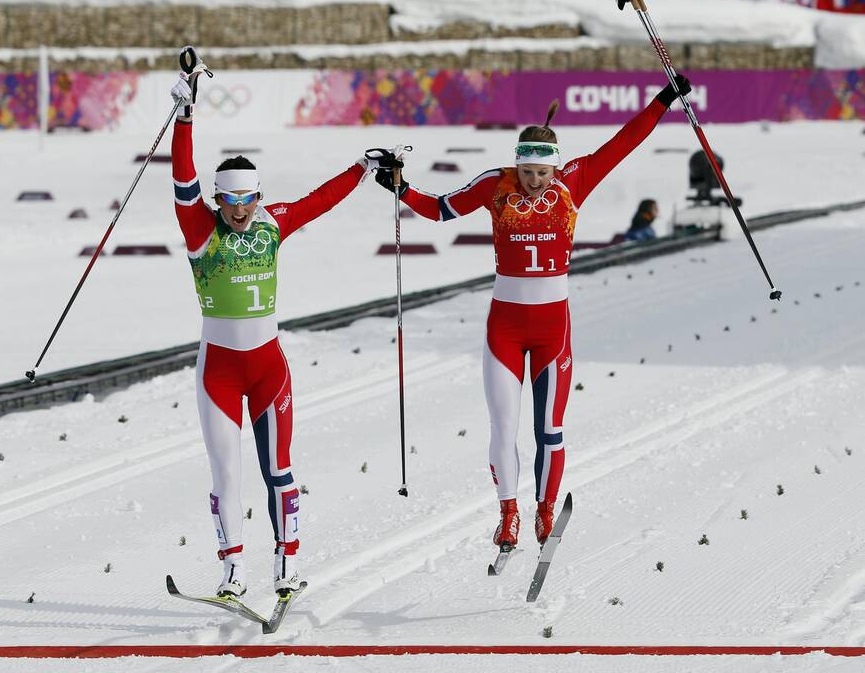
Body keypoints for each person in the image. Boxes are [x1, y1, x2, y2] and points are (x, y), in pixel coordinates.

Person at [374, 76, 691, 552]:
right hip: (504, 328)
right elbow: (441, 210)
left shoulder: (573, 183)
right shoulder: (495, 184)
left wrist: (664, 100)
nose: (534, 181)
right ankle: (508, 516)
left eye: (542, 174)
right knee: (503, 426)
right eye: (527, 172)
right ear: (517, 165)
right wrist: (399, 187)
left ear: (554, 169)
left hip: (551, 331)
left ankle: (545, 511)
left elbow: (623, 142)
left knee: (550, 429)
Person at [169, 58, 371, 599]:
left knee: (278, 470)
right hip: (218, 371)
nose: (239, 211)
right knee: (226, 475)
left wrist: (361, 169)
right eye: (230, 201)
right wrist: (185, 115)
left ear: (259, 196)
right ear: (219, 200)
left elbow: (318, 202)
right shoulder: (198, 229)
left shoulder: (273, 222)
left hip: (267, 369)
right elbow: (183, 179)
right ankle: (231, 570)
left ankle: (285, 566)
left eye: (247, 199)